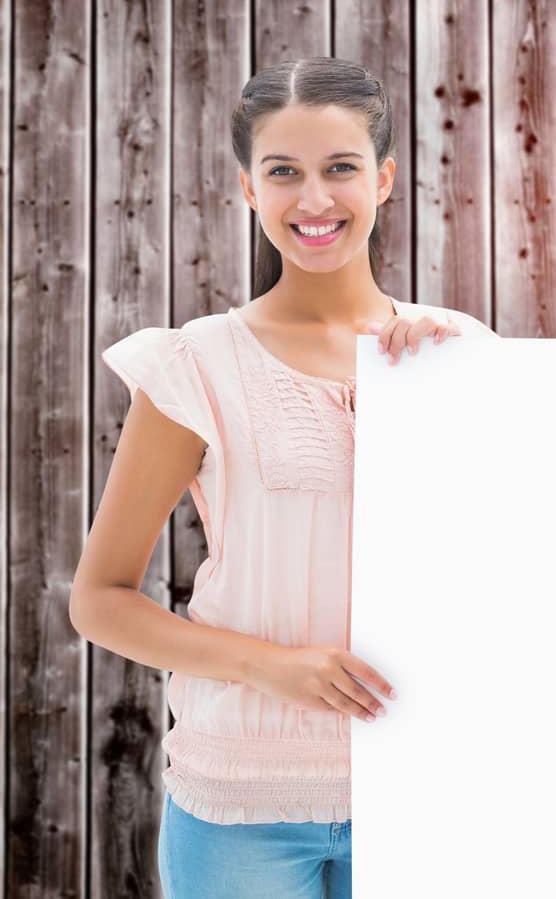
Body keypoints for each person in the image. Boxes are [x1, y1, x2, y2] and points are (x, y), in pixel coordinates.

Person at [69, 58, 498, 898]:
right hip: (243, 805)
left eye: (340, 168)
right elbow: (101, 599)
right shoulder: (197, 363)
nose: (313, 200)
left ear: (383, 179)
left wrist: (447, 402)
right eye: (283, 172)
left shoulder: (460, 352)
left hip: (430, 785)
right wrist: (272, 667)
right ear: (247, 189)